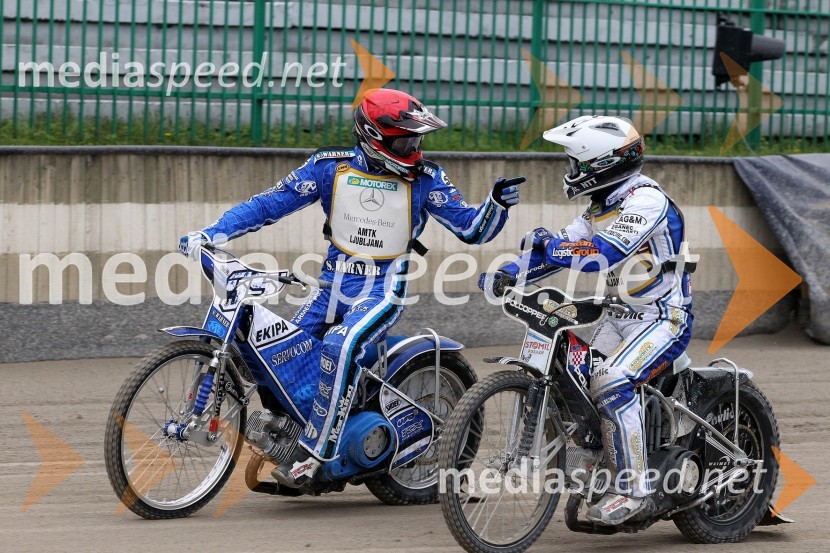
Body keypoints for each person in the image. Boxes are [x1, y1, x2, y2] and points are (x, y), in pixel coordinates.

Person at [179, 88, 524, 487]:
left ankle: (315, 453)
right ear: (372, 135)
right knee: (284, 360)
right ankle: (290, 436)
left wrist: (497, 205)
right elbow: (268, 204)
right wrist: (212, 232)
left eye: (417, 141)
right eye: (404, 141)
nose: (414, 149)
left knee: (340, 345)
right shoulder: (329, 167)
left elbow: (471, 228)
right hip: (331, 288)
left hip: (383, 288)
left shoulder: (428, 178)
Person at [479, 115, 694, 525]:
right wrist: (509, 274)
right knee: (576, 383)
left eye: (576, 163)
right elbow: (557, 252)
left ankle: (634, 491)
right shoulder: (600, 206)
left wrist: (551, 245)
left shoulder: (645, 200)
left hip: (663, 317)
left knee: (611, 382)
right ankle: (601, 463)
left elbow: (601, 253)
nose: (571, 172)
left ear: (603, 163)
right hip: (616, 319)